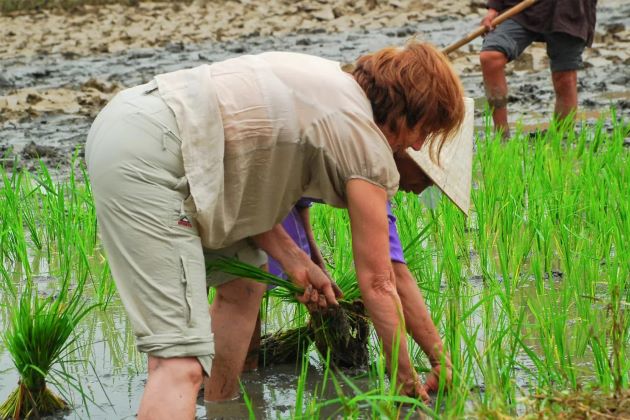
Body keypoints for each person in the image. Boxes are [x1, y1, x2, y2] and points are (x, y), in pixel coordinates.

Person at [85, 40, 465, 419]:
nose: (416, 144)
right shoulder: (364, 138)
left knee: (244, 280)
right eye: (424, 130)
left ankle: (224, 408)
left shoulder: (328, 83)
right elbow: (380, 282)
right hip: (152, 159)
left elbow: (245, 192)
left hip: (136, 122)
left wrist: (298, 261)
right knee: (178, 363)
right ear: (407, 110)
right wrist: (404, 383)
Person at [230, 156, 451, 404]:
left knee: (254, 278)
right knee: (248, 277)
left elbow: (299, 196)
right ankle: (233, 390)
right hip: (245, 173)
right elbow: (388, 276)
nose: (422, 188)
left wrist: (313, 259)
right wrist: (421, 371)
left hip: (269, 180)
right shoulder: (368, 164)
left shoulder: (373, 167)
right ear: (407, 144)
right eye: (425, 177)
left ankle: (245, 382)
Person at [479, 0, 597, 137]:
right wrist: (493, 9)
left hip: (569, 10)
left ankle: (561, 140)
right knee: (491, 56)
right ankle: (502, 138)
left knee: (565, 78)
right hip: (522, 8)